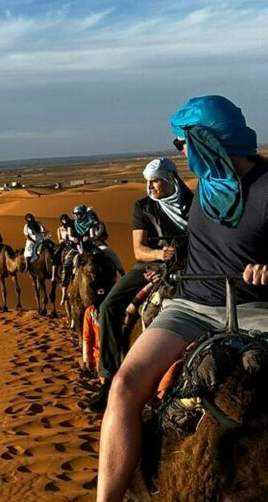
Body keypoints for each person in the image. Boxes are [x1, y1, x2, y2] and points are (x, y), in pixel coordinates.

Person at [97, 95, 268, 502]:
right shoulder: (206, 188)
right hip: (190, 305)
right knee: (123, 386)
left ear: (209, 140)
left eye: (183, 141)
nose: (182, 151)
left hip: (258, 311)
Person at [85, 158, 193, 412]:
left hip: (193, 266)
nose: (151, 187)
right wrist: (159, 256)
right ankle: (109, 377)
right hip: (152, 265)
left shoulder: (194, 204)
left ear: (170, 179)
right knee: (110, 306)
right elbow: (139, 250)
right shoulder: (143, 207)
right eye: (148, 182)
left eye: (155, 181)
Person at [61, 205, 95, 287]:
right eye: (74, 214)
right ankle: (64, 284)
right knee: (67, 264)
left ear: (83, 214)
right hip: (75, 246)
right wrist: (73, 239)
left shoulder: (90, 223)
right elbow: (69, 235)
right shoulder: (71, 223)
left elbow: (92, 234)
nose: (76, 215)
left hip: (88, 246)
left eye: (78, 213)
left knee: (102, 259)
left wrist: (88, 237)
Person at [85, 209, 125, 275]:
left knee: (113, 255)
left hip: (98, 245)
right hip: (85, 246)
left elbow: (105, 235)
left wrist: (96, 237)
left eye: (91, 215)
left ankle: (122, 274)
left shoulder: (99, 224)